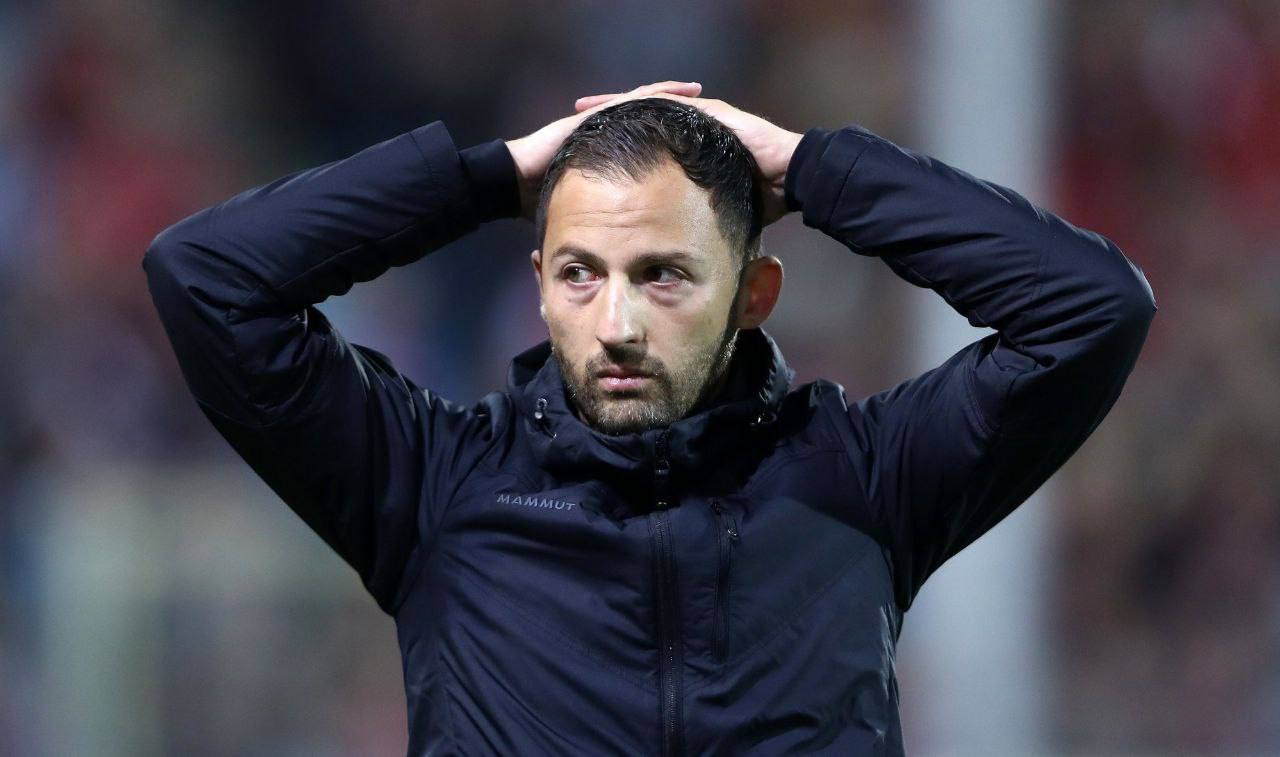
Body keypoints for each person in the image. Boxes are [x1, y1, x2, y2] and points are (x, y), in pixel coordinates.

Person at [142, 80, 1156, 755]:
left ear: (753, 293)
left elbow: (1090, 308)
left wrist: (810, 168)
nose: (615, 324)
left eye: (664, 274)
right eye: (580, 273)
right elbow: (204, 278)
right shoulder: (435, 484)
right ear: (539, 284)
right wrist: (490, 175)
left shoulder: (864, 481)